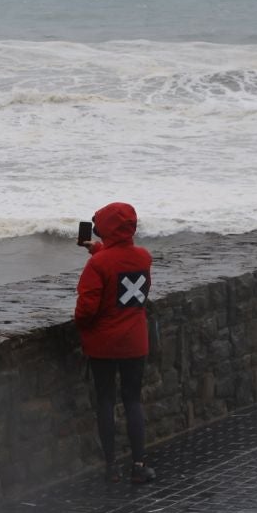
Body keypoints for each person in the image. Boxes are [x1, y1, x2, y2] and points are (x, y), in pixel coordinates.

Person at [74, 202, 155, 484]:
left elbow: (86, 309)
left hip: (103, 344)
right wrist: (95, 247)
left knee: (106, 402)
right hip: (135, 342)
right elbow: (120, 262)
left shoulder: (97, 265)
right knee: (133, 401)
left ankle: (111, 468)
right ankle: (139, 465)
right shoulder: (144, 258)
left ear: (106, 228)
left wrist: (84, 330)